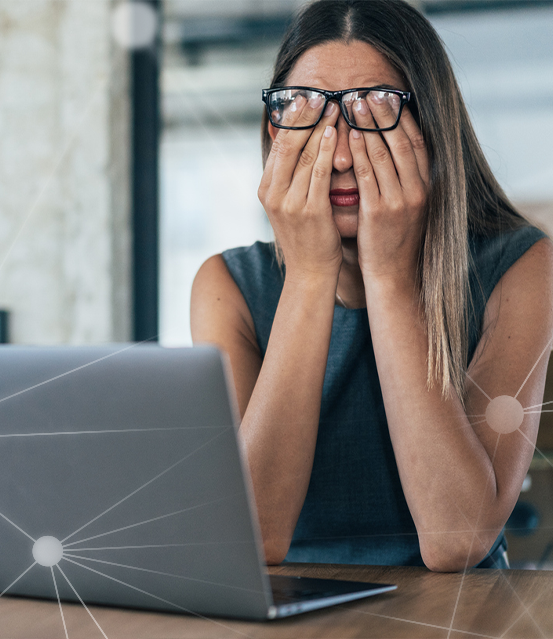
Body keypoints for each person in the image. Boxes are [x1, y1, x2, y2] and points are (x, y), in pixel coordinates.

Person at [190, 0, 553, 571]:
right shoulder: (227, 285)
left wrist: (389, 276)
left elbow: (457, 540)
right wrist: (311, 275)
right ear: (274, 131)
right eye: (306, 110)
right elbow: (250, 540)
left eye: (376, 108)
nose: (336, 155)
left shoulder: (522, 265)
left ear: (431, 128)